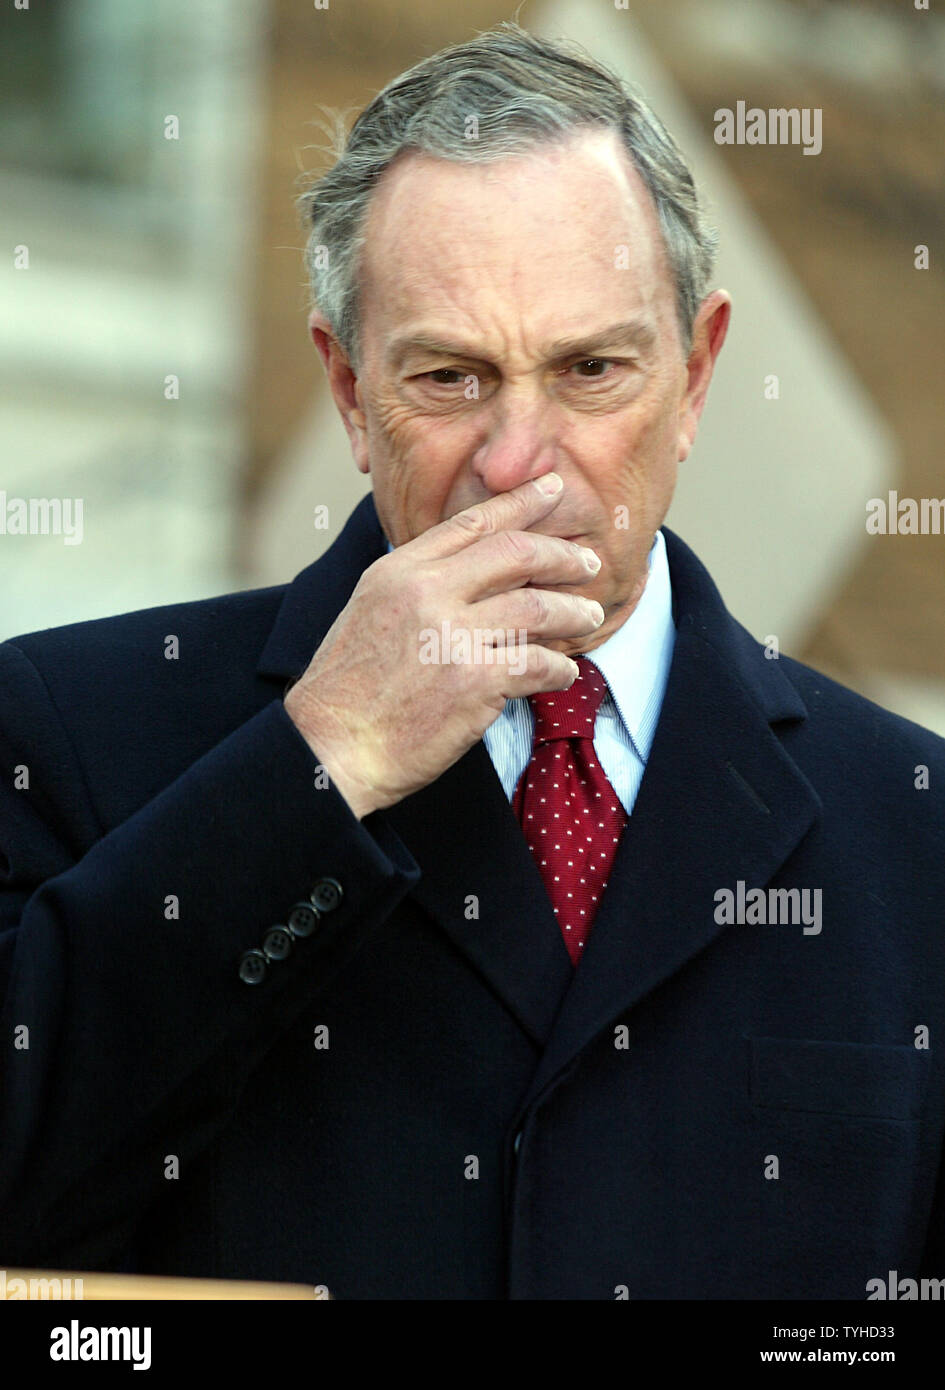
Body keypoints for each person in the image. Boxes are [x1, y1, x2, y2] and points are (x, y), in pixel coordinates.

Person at [1, 21, 943, 1302]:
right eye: (449, 378)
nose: (521, 461)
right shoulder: (66, 731)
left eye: (592, 370)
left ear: (700, 372)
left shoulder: (912, 827)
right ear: (347, 390)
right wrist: (320, 762)